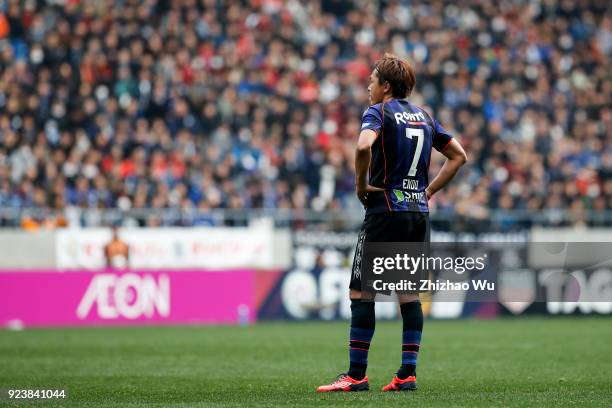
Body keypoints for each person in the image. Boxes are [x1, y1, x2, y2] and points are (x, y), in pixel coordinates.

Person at [317, 53, 467, 392]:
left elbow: (362, 145)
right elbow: (459, 156)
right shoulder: (425, 117)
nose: (368, 86)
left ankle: (356, 376)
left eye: (371, 80)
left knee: (361, 291)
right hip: (417, 213)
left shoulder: (378, 112)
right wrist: (428, 191)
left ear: (385, 86)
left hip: (385, 210)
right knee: (409, 295)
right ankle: (407, 374)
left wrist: (359, 184)